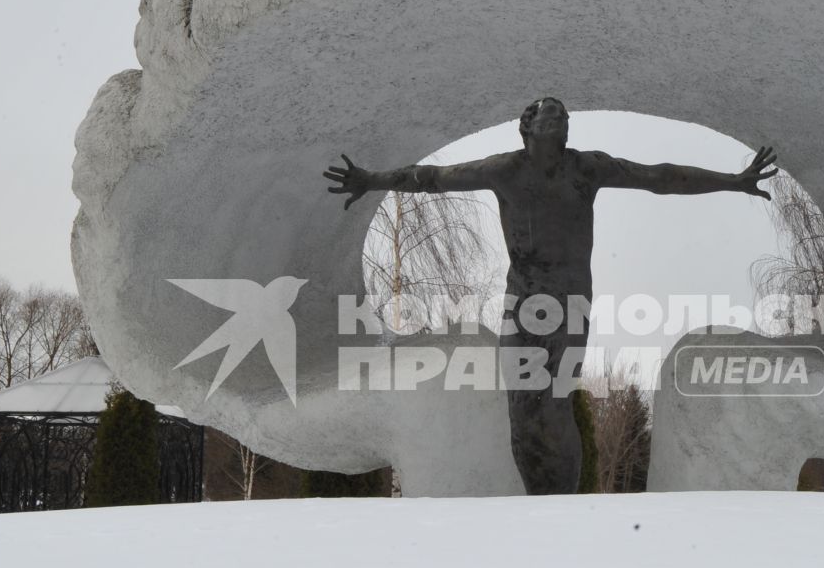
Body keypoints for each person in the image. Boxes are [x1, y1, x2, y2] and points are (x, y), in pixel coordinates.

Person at [325, 96, 778, 494]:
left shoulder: (586, 168)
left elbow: (658, 176)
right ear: (527, 127)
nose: (558, 117)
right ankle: (538, 502)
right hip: (521, 298)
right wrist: (371, 179)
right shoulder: (504, 170)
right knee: (522, 404)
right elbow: (432, 177)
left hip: (568, 297)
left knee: (556, 398)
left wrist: (734, 181)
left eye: (562, 115)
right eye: (548, 113)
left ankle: (564, 503)